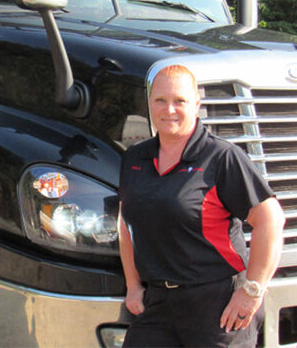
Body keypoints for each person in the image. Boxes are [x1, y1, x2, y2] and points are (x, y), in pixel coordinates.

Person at [118, 64, 285, 347]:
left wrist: (252, 290)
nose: (169, 109)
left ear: (197, 104)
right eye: (160, 100)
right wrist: (133, 286)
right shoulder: (135, 158)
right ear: (149, 103)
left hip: (217, 305)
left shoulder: (221, 157)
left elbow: (271, 220)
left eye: (179, 101)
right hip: (157, 302)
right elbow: (126, 223)